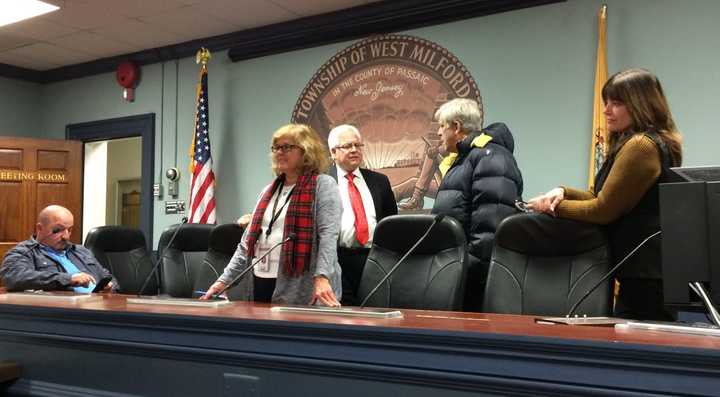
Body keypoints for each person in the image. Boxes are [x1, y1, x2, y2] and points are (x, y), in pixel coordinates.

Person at [528, 68, 682, 321]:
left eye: (617, 103)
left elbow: (603, 209)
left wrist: (553, 207)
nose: (606, 110)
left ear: (641, 104)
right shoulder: (639, 142)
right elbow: (600, 195)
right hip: (645, 273)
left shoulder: (640, 146)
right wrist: (562, 192)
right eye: (606, 102)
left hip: (646, 277)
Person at [203, 124, 342, 306]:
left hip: (303, 285)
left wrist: (323, 276)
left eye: (287, 147)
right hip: (261, 281)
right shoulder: (268, 191)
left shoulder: (323, 185)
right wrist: (224, 280)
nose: (279, 152)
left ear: (307, 151)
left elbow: (328, 236)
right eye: (276, 148)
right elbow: (247, 244)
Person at [431, 98, 523, 312]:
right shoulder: (467, 158)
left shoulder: (490, 157)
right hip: (457, 274)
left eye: (441, 126)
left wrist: (465, 271)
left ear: (456, 126)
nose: (438, 133)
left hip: (475, 281)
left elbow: (490, 227)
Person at [327, 124, 397, 305]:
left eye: (357, 145)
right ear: (333, 152)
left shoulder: (380, 181)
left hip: (375, 259)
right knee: (345, 315)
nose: (354, 150)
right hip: (338, 260)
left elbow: (391, 223)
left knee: (377, 310)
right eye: (347, 146)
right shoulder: (322, 183)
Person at [1, 205, 114, 292]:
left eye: (69, 230)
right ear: (40, 228)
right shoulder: (24, 252)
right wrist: (68, 279)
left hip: (98, 304)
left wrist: (110, 285)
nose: (66, 236)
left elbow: (106, 276)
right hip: (63, 311)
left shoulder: (81, 251)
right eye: (58, 230)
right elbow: (14, 277)